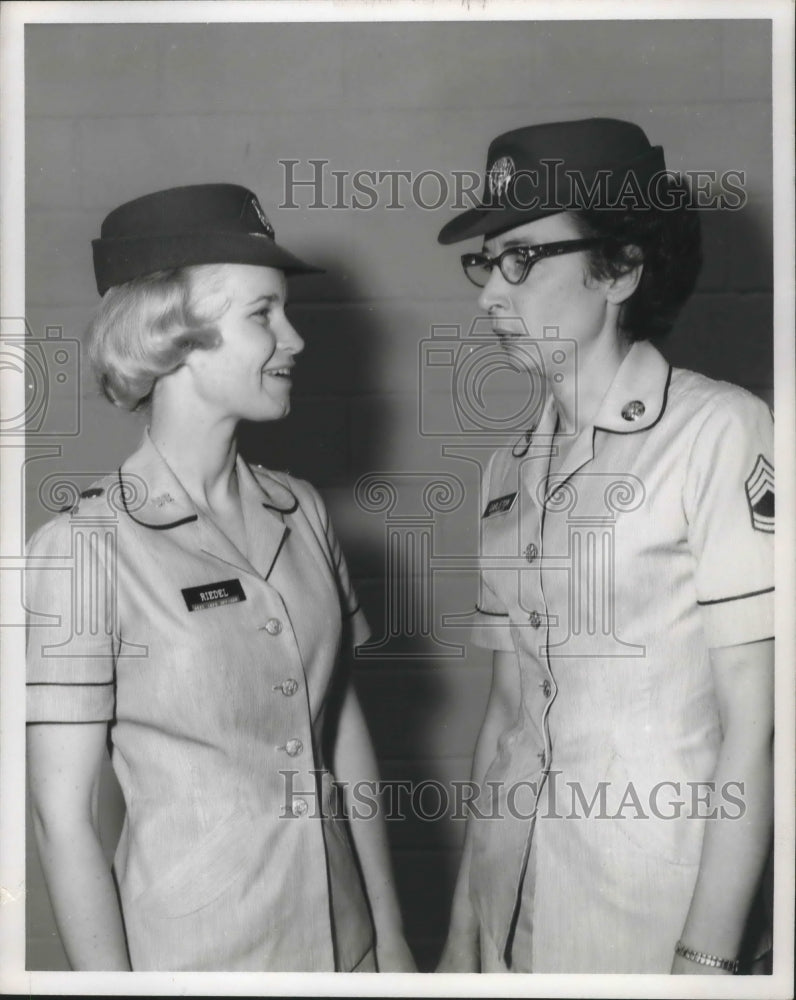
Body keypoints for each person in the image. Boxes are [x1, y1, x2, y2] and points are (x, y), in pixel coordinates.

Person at [25, 183, 415, 973]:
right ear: (176, 336)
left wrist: (393, 938)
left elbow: (340, 731)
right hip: (198, 963)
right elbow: (59, 819)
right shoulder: (84, 549)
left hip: (350, 952)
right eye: (262, 314)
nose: (295, 338)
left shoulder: (300, 511)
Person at [434, 119, 774, 974]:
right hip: (518, 905)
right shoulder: (507, 471)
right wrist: (465, 924)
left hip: (659, 915)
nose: (489, 292)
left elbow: (760, 726)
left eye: (522, 258)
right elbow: (508, 712)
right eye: (486, 259)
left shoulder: (719, 431)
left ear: (620, 267)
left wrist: (709, 957)